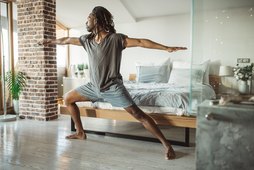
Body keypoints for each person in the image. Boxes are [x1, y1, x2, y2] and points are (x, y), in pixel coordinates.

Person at [39, 6, 187, 160]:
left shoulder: (115, 39)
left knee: (139, 115)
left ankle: (167, 145)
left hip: (112, 88)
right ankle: (80, 132)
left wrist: (166, 48)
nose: (86, 21)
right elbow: (67, 40)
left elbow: (141, 42)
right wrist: (48, 41)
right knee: (68, 98)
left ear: (97, 19)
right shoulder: (87, 40)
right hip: (93, 87)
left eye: (89, 17)